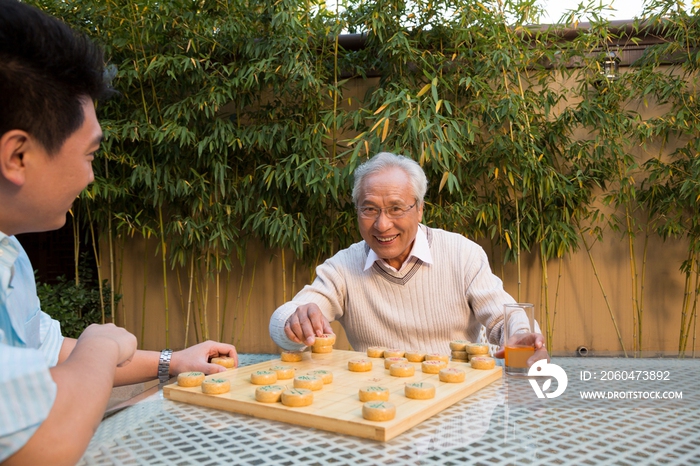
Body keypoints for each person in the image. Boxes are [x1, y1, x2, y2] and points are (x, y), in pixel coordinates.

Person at [0, 1, 238, 463]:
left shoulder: (9, 253)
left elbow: (45, 354)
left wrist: (173, 361)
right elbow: (45, 441)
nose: (91, 177)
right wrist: (99, 343)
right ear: (17, 157)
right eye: (90, 154)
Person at [269, 151, 548, 362]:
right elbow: (287, 318)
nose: (382, 225)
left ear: (420, 209)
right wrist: (293, 321)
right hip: (378, 407)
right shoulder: (343, 267)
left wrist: (519, 334)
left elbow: (503, 317)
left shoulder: (462, 254)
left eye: (396, 209)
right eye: (369, 209)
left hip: (455, 411)